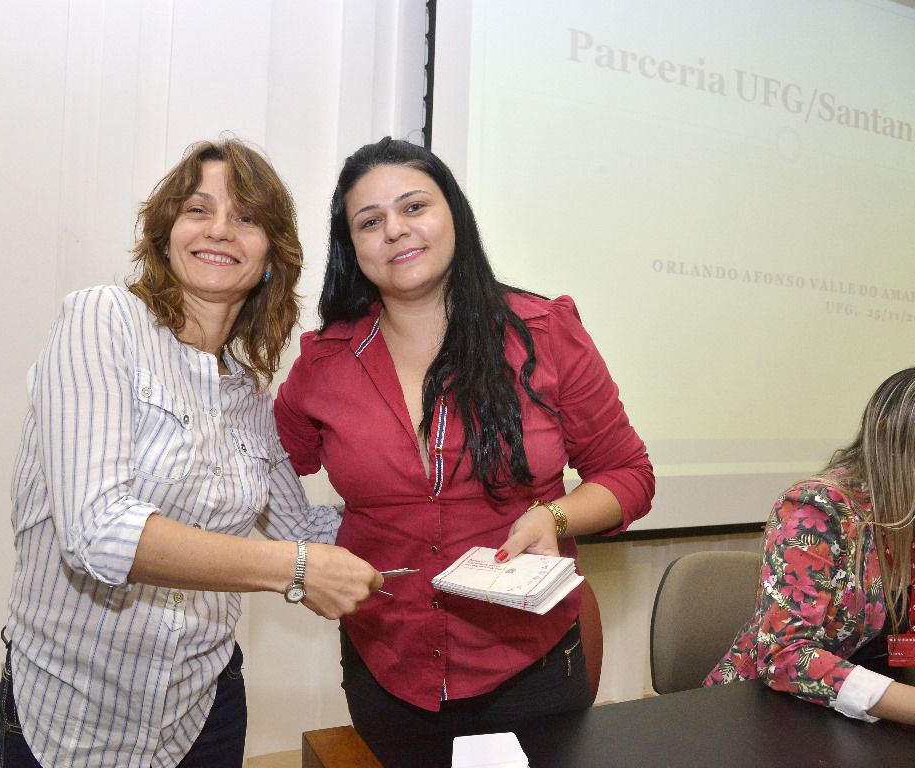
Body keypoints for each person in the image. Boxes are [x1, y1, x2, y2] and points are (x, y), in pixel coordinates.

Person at [0, 138, 382, 768]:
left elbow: (305, 529)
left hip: (204, 711)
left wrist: (437, 501)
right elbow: (97, 531)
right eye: (199, 210)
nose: (221, 230)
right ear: (166, 230)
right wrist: (295, 568)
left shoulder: (249, 393)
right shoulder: (103, 320)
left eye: (247, 217)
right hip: (71, 715)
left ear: (270, 258)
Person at [273, 137, 654, 762]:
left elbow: (629, 475)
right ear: (352, 246)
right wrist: (302, 557)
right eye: (370, 221)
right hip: (385, 669)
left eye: (414, 206)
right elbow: (257, 471)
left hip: (530, 666)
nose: (395, 230)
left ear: (454, 212)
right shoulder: (324, 361)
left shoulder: (544, 332)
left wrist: (553, 516)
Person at [706, 365, 915, 733]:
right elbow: (786, 657)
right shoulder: (815, 509)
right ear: (889, 434)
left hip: (862, 721)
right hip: (765, 719)